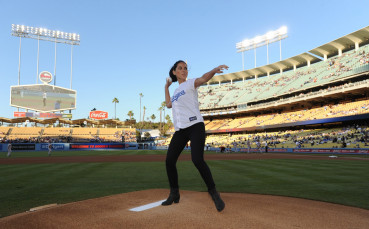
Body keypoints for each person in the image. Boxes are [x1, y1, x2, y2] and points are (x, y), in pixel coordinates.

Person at [162, 60, 228, 212]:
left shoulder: (190, 83)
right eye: (180, 68)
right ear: (174, 72)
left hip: (195, 126)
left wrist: (213, 69)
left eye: (185, 68)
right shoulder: (176, 91)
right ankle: (174, 193)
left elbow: (203, 78)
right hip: (181, 129)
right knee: (169, 160)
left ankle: (214, 193)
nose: (184, 70)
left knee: (197, 159)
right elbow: (168, 104)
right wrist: (166, 87)